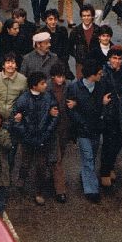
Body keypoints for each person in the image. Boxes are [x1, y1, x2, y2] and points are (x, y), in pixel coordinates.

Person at [11, 72, 59, 206]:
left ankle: (39, 192)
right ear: (34, 86)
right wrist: (25, 136)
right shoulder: (23, 99)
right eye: (42, 83)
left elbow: (55, 116)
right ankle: (21, 178)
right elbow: (16, 119)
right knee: (25, 162)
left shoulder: (48, 97)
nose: (45, 85)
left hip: (42, 139)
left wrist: (46, 133)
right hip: (28, 139)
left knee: (41, 166)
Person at [68, 60, 112, 202]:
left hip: (96, 128)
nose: (101, 75)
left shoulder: (100, 86)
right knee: (88, 158)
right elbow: (71, 110)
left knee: (92, 156)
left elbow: (102, 105)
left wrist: (103, 105)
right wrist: (81, 123)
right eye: (99, 73)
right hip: (83, 130)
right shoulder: (75, 88)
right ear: (92, 75)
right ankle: (91, 190)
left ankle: (85, 175)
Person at [100, 47, 122, 189]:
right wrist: (102, 101)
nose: (117, 61)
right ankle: (104, 172)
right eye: (114, 58)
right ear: (109, 59)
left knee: (119, 141)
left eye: (119, 58)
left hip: (120, 112)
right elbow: (98, 91)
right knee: (108, 143)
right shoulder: (104, 73)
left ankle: (110, 166)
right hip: (108, 112)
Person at [47, 64, 73, 203]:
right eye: (58, 76)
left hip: (65, 126)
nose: (61, 79)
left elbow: (75, 97)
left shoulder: (68, 86)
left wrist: (74, 103)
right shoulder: (47, 88)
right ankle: (60, 190)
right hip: (52, 128)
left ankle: (53, 176)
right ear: (53, 77)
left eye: (63, 76)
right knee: (57, 158)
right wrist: (49, 111)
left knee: (61, 154)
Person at [0, 53, 28, 120]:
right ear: (3, 65)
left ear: (16, 65)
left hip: (15, 118)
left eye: (13, 63)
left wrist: (21, 113)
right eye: (8, 63)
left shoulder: (23, 80)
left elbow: (26, 100)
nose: (10, 65)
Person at [69, 5, 99, 79]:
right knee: (81, 84)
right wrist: (77, 56)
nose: (86, 18)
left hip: (95, 63)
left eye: (88, 15)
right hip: (80, 63)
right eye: (84, 16)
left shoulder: (98, 30)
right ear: (81, 17)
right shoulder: (75, 31)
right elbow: (69, 46)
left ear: (92, 16)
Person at [40, 9, 71, 74]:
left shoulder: (63, 30)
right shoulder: (41, 32)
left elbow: (66, 47)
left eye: (55, 19)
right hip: (47, 63)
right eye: (50, 19)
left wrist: (63, 61)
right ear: (46, 20)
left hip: (62, 62)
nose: (53, 21)